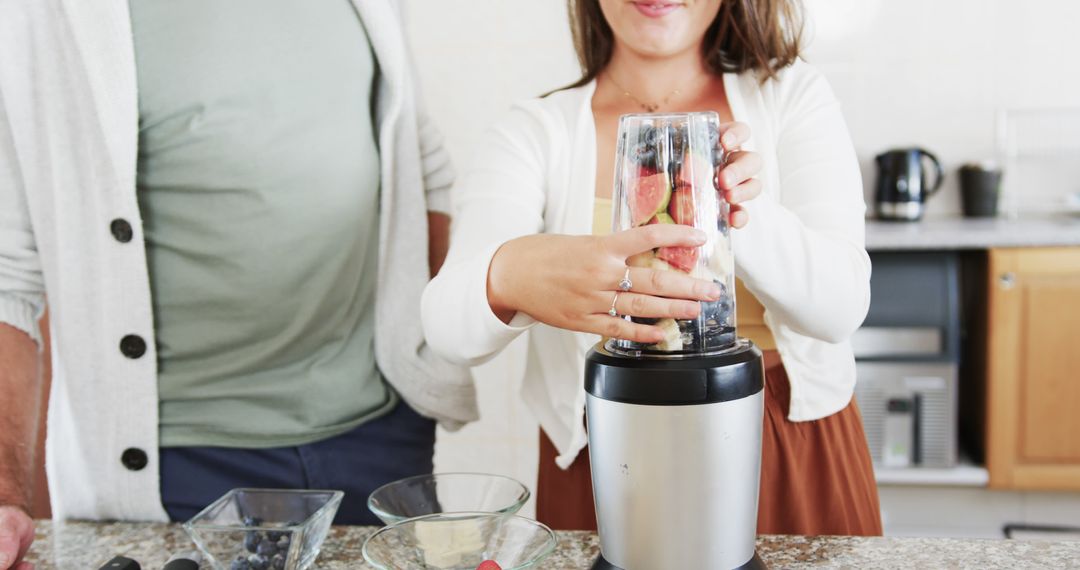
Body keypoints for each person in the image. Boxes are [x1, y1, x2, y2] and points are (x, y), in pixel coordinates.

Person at [0, 1, 477, 567]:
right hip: (177, 473)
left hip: (379, 437)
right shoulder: (40, 16)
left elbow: (419, 166)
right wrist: (5, 497)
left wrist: (427, 348)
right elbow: (8, 281)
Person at [422, 0, 881, 535]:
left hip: (785, 443)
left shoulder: (793, 93)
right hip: (607, 455)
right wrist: (511, 273)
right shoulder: (534, 131)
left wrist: (733, 212)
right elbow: (446, 326)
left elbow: (841, 307)